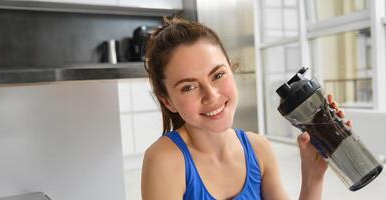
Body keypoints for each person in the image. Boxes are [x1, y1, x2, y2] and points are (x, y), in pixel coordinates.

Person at [140, 17, 351, 200]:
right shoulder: (164, 160)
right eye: (189, 87)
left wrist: (313, 173)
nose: (211, 95)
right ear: (167, 101)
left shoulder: (258, 149)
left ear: (231, 70)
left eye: (218, 75)